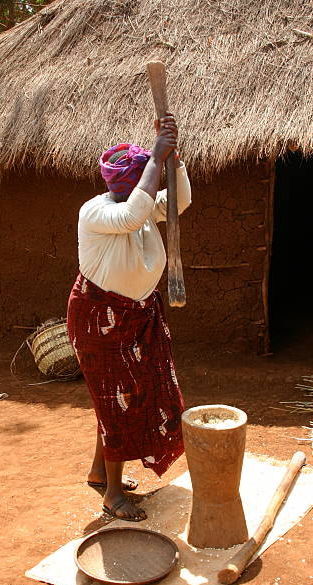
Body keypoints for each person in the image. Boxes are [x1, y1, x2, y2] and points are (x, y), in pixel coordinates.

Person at [67, 112, 191, 521]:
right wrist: (157, 153)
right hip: (98, 319)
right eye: (145, 178)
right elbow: (134, 214)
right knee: (115, 401)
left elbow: (181, 200)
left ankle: (99, 473)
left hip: (137, 316)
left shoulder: (140, 204)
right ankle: (113, 495)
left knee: (118, 399)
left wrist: (173, 158)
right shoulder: (97, 212)